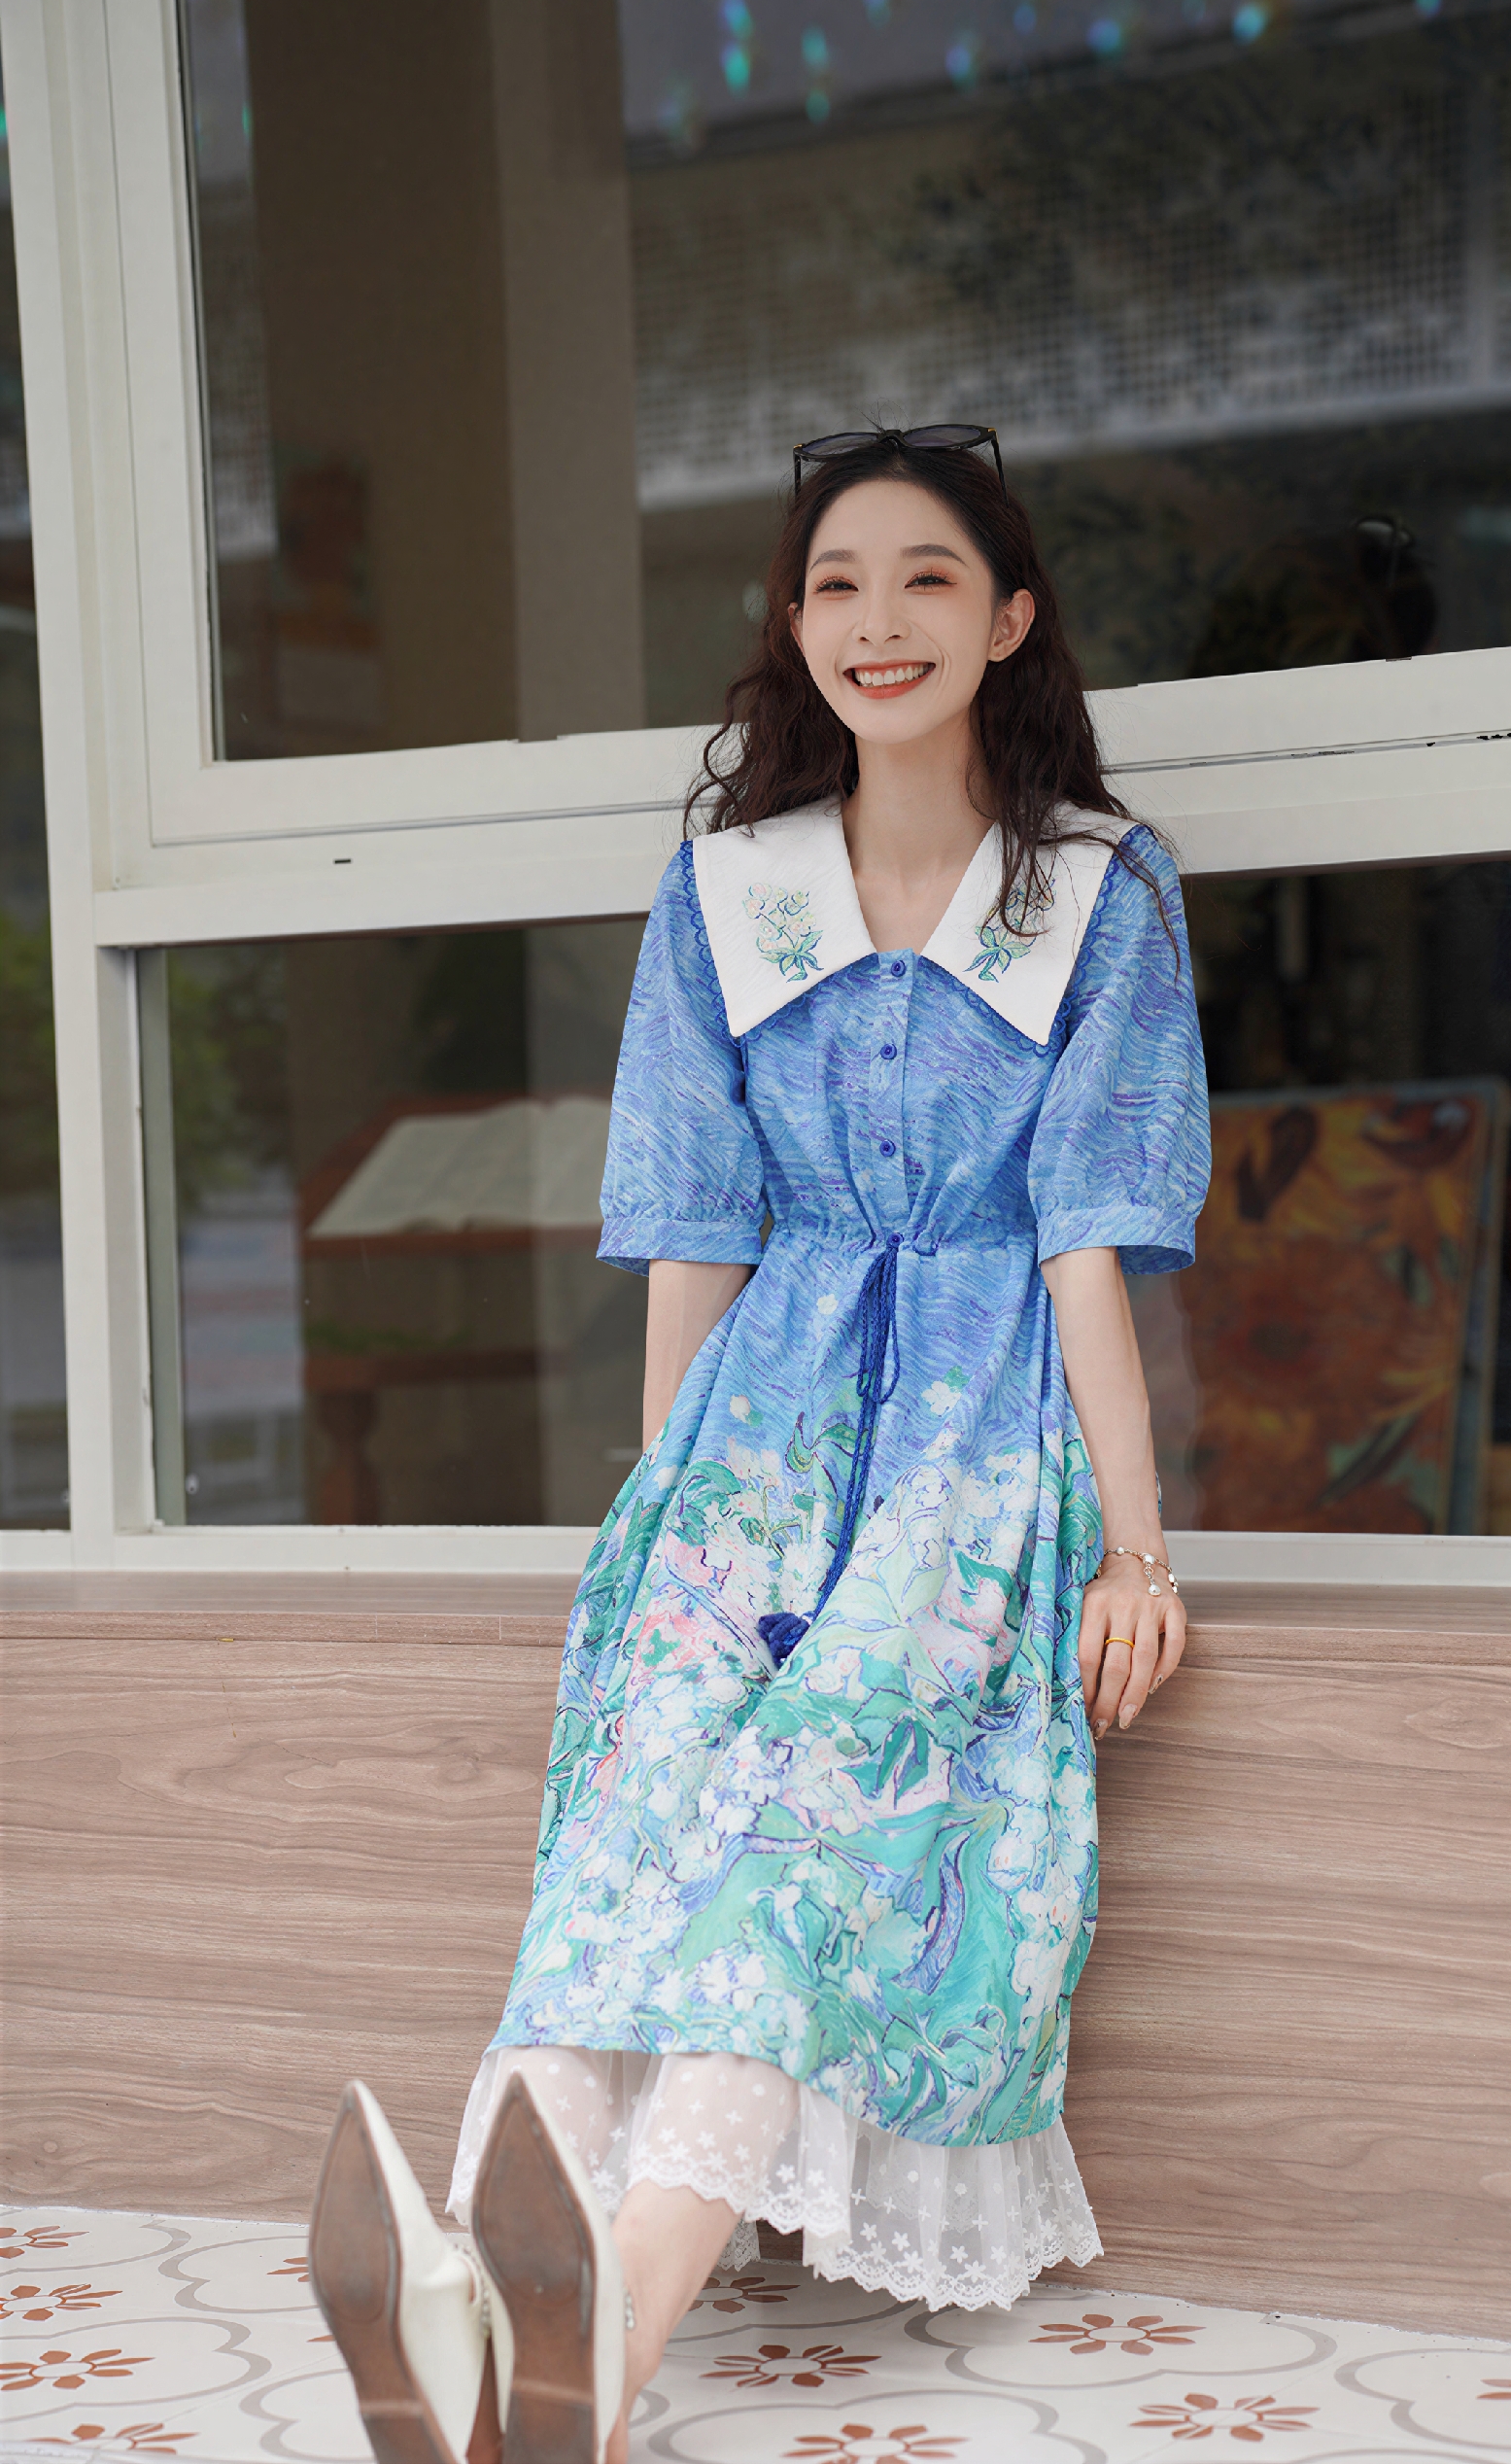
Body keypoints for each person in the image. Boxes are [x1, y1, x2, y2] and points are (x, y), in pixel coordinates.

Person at [307, 424, 1212, 2464]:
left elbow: (1082, 1247)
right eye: (830, 585)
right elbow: (694, 1226)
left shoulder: (1090, 895)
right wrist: (663, 1525)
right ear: (791, 627)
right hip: (754, 1439)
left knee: (806, 1843)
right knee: (637, 1819)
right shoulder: (723, 898)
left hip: (973, 1453)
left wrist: (1133, 1552)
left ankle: (585, 2373)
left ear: (1007, 617)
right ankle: (480, 2303)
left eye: (917, 579)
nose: (872, 622)